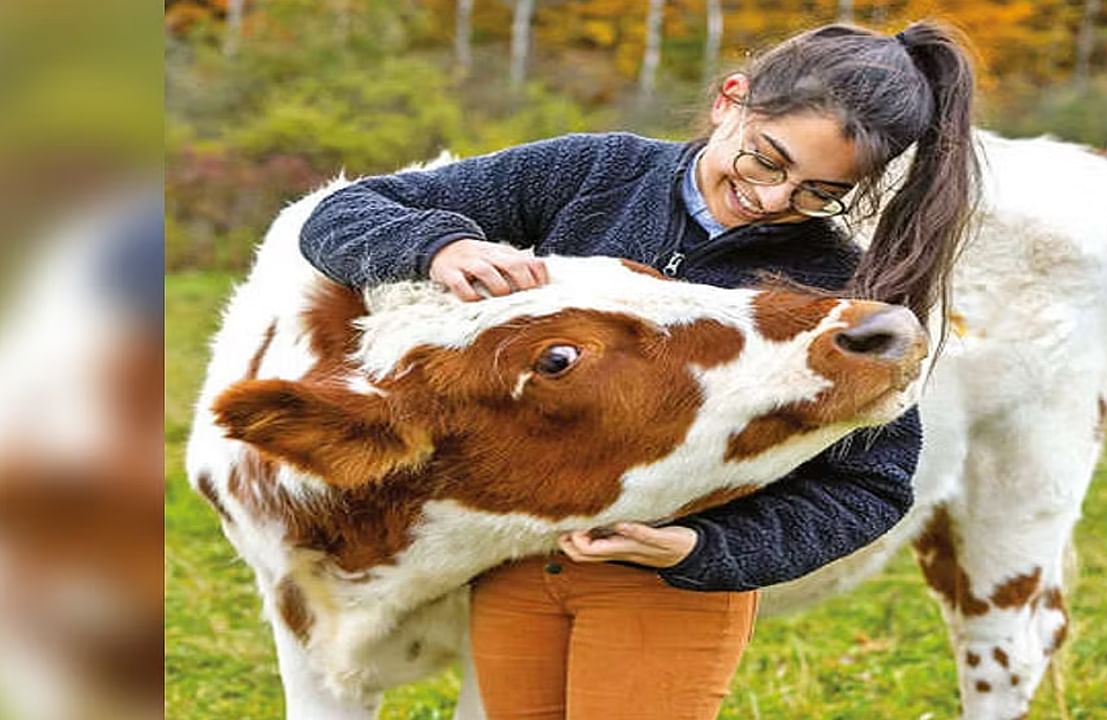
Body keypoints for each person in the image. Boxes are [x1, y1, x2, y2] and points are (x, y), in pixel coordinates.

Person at [299, 20, 977, 720]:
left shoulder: (826, 282)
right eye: (767, 161)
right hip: (516, 562)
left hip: (664, 586)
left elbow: (871, 484)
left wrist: (704, 547)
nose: (775, 201)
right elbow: (343, 213)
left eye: (818, 192)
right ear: (730, 101)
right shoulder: (593, 173)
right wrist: (437, 245)